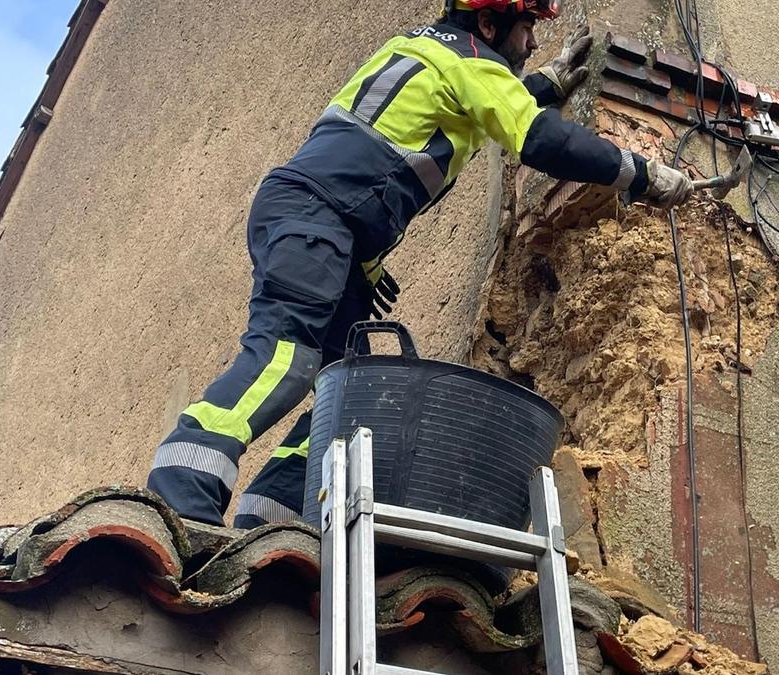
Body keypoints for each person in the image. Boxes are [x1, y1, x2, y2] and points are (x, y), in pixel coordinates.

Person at [146, 0, 695, 529]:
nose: (532, 41)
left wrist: (545, 85)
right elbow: (538, 138)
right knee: (285, 356)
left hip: (316, 218)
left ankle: (272, 514)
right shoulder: (472, 63)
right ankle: (182, 487)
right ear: (488, 24)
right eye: (526, 27)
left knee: (347, 389)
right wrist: (641, 174)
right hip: (320, 218)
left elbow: (473, 112)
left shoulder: (425, 49)